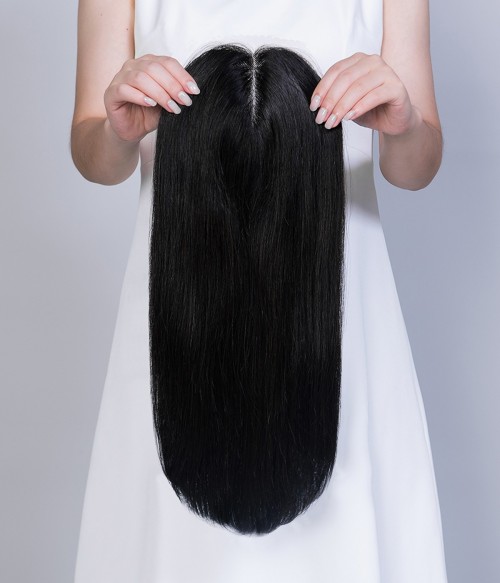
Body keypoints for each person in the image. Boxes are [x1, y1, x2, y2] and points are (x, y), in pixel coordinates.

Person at [70, 0, 448, 581]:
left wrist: (405, 122)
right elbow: (95, 157)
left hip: (335, 322)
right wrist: (116, 130)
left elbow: (414, 167)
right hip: (181, 319)